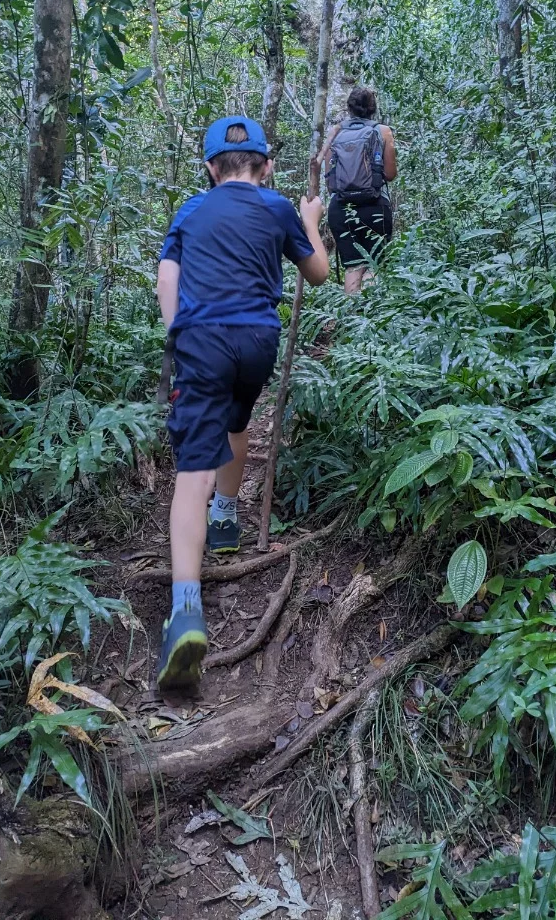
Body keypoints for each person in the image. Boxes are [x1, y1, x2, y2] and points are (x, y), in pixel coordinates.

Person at [155, 116, 329, 691]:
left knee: (191, 472)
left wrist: (180, 332)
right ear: (266, 166)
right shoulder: (278, 207)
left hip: (204, 340)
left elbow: (167, 274)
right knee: (239, 420)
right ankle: (225, 521)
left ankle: (186, 612)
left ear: (210, 169)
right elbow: (320, 273)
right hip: (257, 341)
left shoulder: (189, 212)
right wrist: (309, 222)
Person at [319, 87, 397, 294]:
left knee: (353, 266)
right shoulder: (383, 131)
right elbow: (389, 174)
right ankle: (371, 318)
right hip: (375, 206)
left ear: (349, 108)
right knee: (374, 265)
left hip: (341, 208)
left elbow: (330, 180)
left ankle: (351, 321)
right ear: (373, 108)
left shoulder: (335, 132)